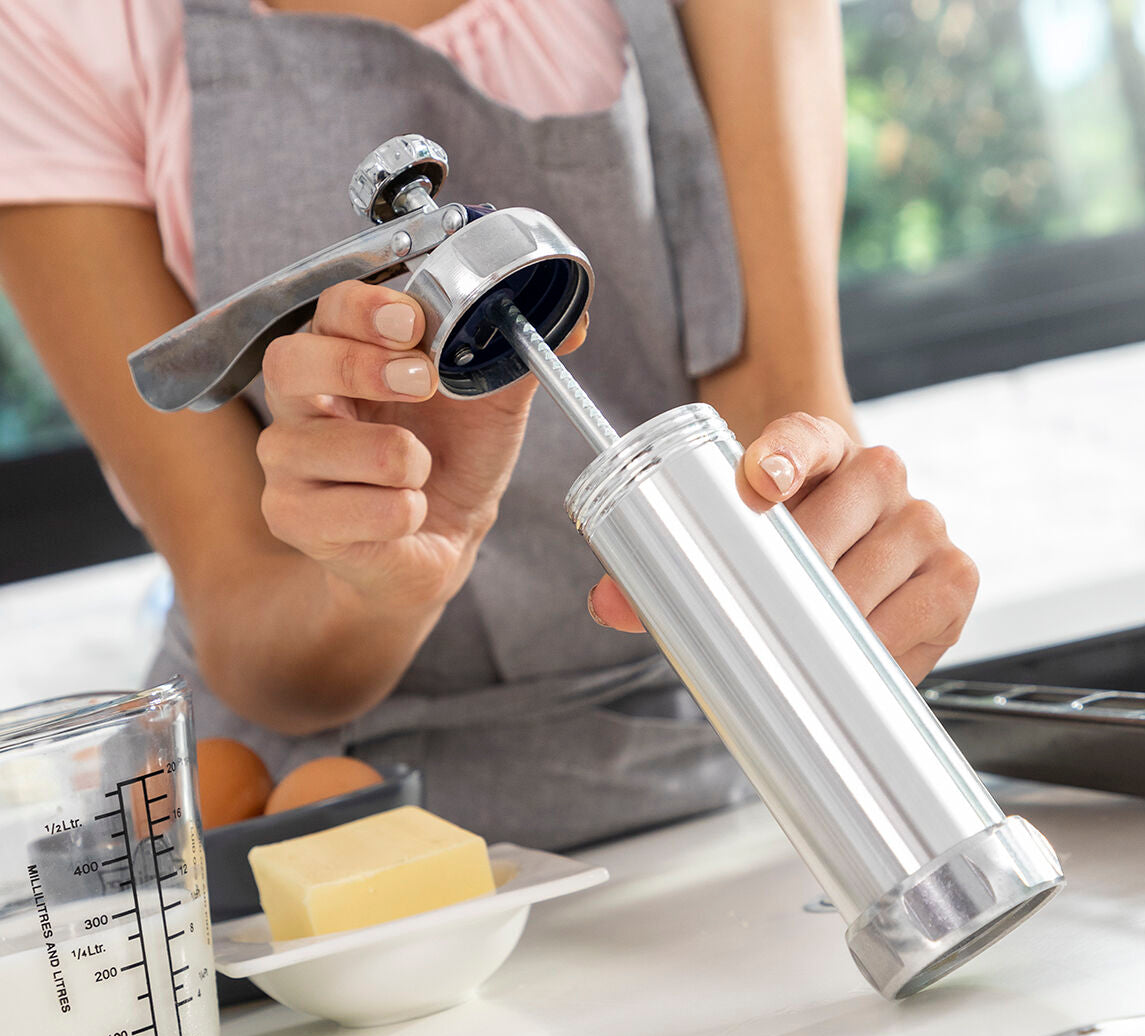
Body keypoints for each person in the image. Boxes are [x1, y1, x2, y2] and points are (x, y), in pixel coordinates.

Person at [0, 0, 978, 849]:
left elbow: (781, 413)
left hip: (703, 767)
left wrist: (833, 553)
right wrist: (377, 585)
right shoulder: (50, 28)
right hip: (318, 843)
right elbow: (251, 623)